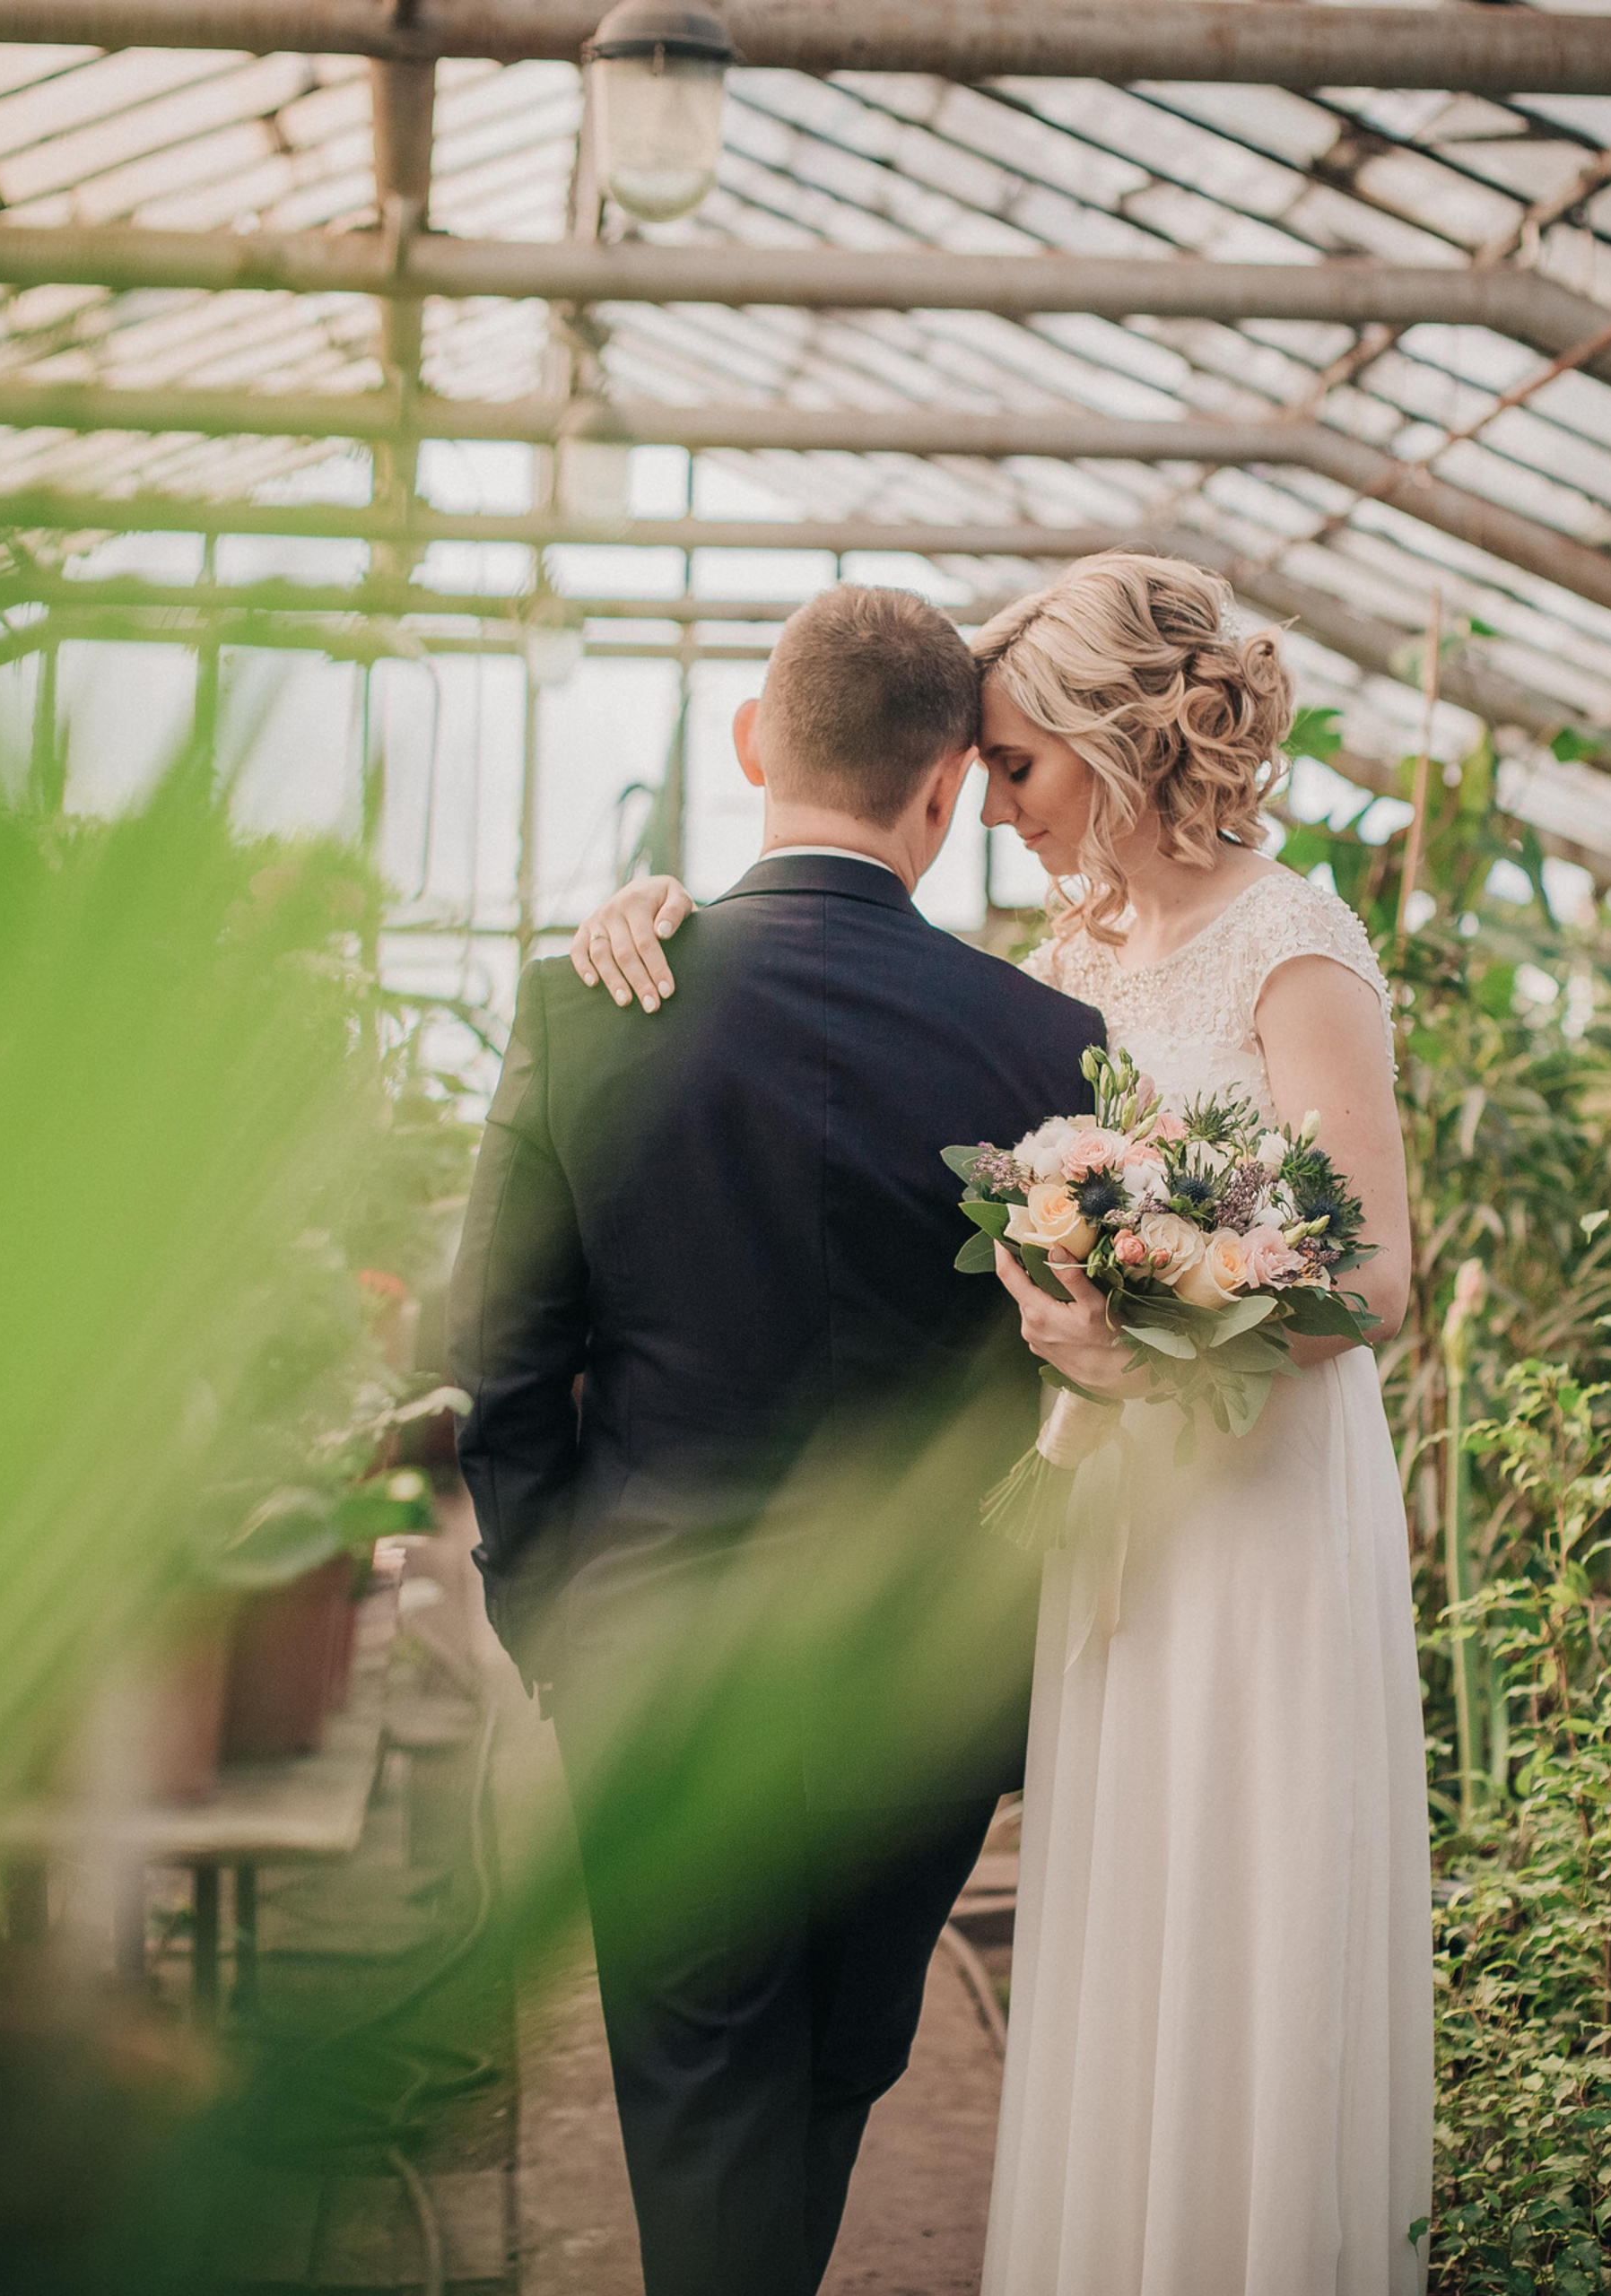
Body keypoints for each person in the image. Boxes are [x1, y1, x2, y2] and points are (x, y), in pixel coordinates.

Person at [571, 551, 1434, 2293]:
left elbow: (1377, 1276)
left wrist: (1168, 1340)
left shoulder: (1294, 940)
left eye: (1018, 767)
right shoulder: (1065, 960)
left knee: (1240, 1911)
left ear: (1121, 743)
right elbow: (846, 1048)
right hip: (1112, 1504)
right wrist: (661, 915)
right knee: (1120, 1918)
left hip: (1252, 1504)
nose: (993, 809)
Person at [447, 583, 1105, 2296]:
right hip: (924, 1677)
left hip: (655, 1654)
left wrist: (550, 1622)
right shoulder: (1053, 1049)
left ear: (752, 744)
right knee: (834, 2073)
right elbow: (1102, 1385)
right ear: (950, 790)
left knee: (703, 2097)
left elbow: (501, 1368)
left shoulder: (595, 1003)